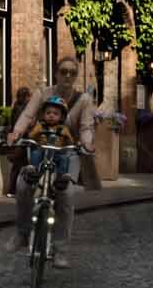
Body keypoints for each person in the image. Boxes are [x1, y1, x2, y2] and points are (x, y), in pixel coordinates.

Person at [8, 60, 96, 266]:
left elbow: (86, 127)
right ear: (56, 73)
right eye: (63, 72)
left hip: (67, 152)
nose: (67, 76)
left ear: (76, 76)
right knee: (22, 185)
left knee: (66, 195)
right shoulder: (42, 94)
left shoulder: (83, 100)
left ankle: (60, 250)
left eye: (72, 73)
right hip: (41, 149)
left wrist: (87, 144)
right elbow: (27, 115)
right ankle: (22, 233)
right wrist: (16, 133)